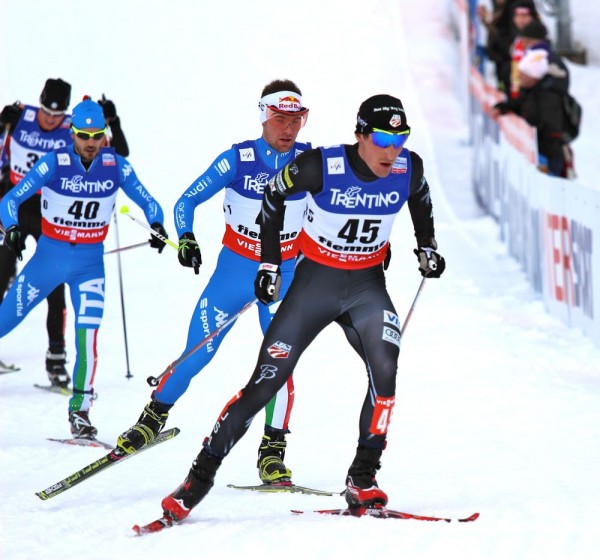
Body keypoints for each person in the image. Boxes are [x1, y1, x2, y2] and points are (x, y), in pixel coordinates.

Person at [151, 94, 446, 524]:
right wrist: (270, 262)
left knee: (386, 375)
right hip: (314, 286)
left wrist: (426, 245)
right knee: (265, 383)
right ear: (360, 134)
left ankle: (362, 479)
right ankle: (197, 480)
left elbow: (419, 195)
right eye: (382, 138)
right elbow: (273, 198)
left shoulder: (408, 166)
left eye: (400, 138)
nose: (391, 150)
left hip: (366, 288)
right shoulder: (321, 166)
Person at [115, 79, 311, 485]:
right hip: (235, 271)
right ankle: (152, 419)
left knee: (279, 362)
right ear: (263, 117)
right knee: (197, 353)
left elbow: (340, 207)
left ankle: (272, 452)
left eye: (297, 120)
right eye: (279, 119)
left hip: (285, 276)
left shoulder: (311, 162)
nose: (288, 129)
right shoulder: (237, 159)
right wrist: (185, 237)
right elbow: (186, 200)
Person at [0, 98, 168, 439]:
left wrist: (157, 226)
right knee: (4, 320)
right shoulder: (54, 163)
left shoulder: (115, 165)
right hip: (47, 260)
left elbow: (149, 202)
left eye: (97, 135)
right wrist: (12, 228)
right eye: (83, 135)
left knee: (87, 336)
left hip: (89, 266)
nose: (90, 142)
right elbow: (10, 200)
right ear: (72, 133)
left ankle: (80, 412)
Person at [0, 78, 129, 386]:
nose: (50, 119)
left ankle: (56, 360)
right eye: (46, 111)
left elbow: (119, 155)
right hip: (17, 207)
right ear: (39, 103)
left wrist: (113, 122)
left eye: (58, 115)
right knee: (1, 273)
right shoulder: (22, 118)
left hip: (52, 214)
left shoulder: (78, 129)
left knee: (55, 290)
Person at [491, 45, 571, 177]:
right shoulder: (531, 91)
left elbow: (551, 129)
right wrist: (503, 107)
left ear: (533, 76)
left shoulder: (548, 96)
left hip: (547, 157)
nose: (519, 77)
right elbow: (520, 104)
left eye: (523, 74)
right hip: (536, 154)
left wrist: (530, 133)